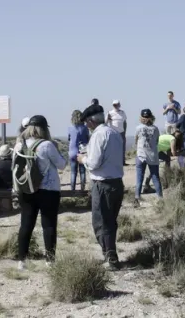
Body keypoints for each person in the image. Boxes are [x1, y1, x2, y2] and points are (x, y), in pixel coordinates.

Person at [14, 115, 67, 269]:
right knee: (49, 225)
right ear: (44, 128)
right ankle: (50, 261)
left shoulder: (19, 145)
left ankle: (21, 260)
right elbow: (62, 165)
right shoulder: (47, 145)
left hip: (26, 189)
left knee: (26, 225)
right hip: (48, 190)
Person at [78, 110, 124, 270]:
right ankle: (110, 254)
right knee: (110, 221)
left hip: (103, 184)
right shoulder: (115, 133)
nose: (86, 125)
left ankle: (110, 257)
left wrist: (82, 158)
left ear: (91, 121)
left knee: (101, 222)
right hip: (116, 182)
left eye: (86, 122)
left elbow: (94, 163)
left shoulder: (99, 135)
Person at [133, 109, 162, 207]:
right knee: (155, 178)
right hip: (152, 155)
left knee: (139, 178)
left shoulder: (138, 128)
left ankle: (137, 198)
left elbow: (136, 140)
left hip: (141, 155)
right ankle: (160, 198)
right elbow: (157, 141)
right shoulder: (155, 128)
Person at [67, 110, 89, 191]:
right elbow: (87, 138)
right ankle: (82, 190)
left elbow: (69, 138)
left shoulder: (70, 128)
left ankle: (72, 191)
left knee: (73, 173)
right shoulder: (85, 128)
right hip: (82, 152)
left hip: (72, 152)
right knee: (82, 172)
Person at [107, 100, 128, 166]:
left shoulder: (122, 113)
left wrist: (125, 132)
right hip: (113, 133)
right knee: (113, 147)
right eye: (114, 105)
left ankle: (122, 162)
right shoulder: (110, 113)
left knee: (122, 147)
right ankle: (113, 161)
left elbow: (124, 122)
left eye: (117, 105)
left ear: (119, 105)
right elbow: (106, 122)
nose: (116, 106)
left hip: (121, 132)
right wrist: (107, 118)